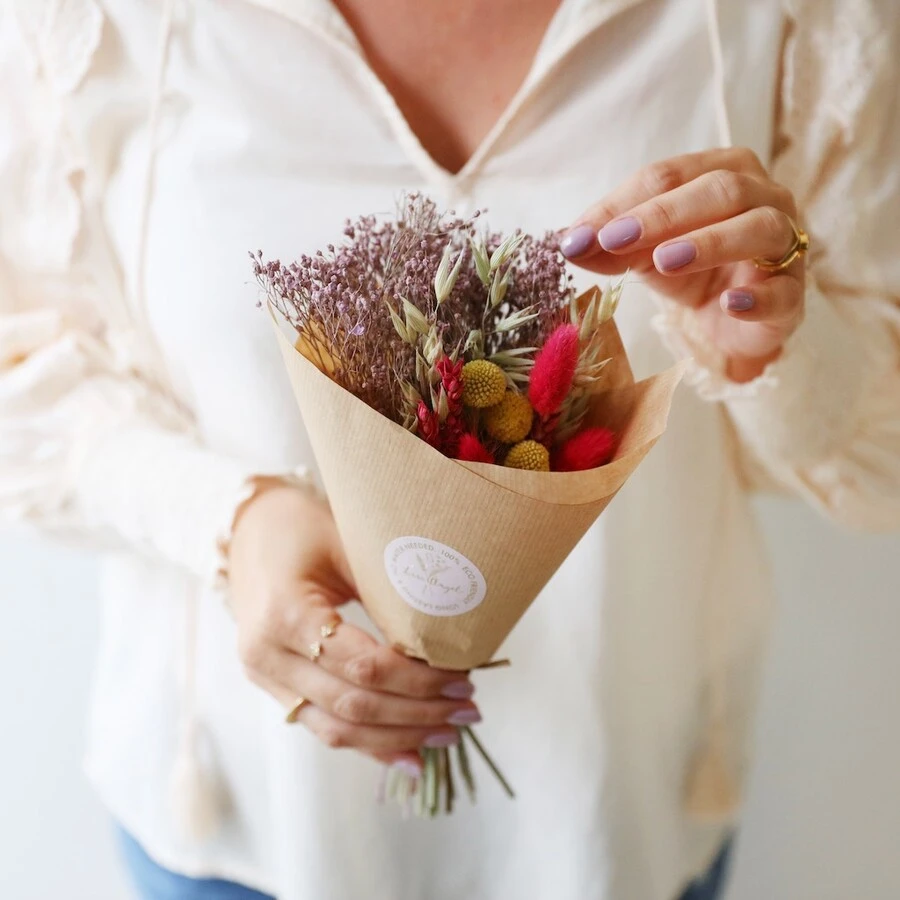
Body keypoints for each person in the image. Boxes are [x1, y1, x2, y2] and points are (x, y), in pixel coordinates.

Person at [1, 1, 898, 899]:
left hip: (615, 820)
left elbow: (881, 439)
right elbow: (23, 362)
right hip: (245, 822)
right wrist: (233, 519)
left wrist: (774, 337)